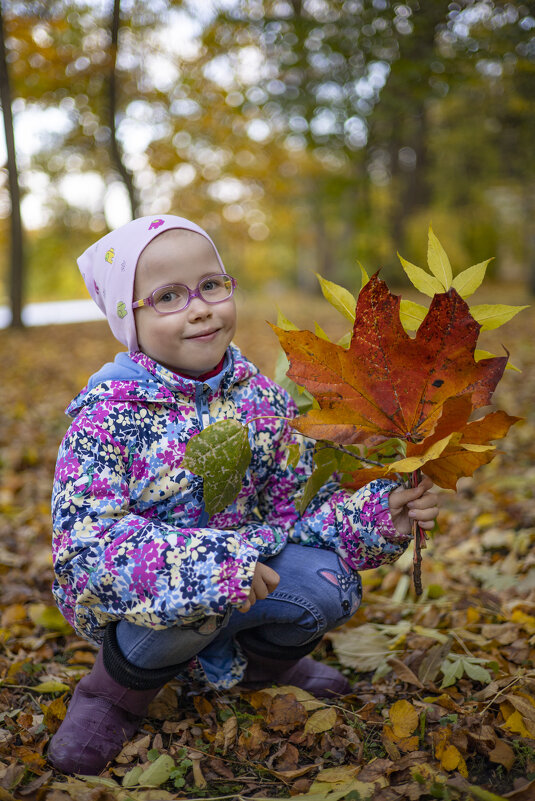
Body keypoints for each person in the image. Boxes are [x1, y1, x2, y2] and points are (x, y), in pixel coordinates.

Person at [47, 215, 439, 775]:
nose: (201, 306)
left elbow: (298, 510)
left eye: (211, 285)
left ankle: (259, 667)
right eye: (168, 296)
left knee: (329, 584)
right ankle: (112, 694)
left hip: (254, 574)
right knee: (201, 604)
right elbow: (87, 550)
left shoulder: (263, 401)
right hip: (148, 608)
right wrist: (214, 567)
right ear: (126, 319)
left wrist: (378, 515)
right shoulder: (106, 420)